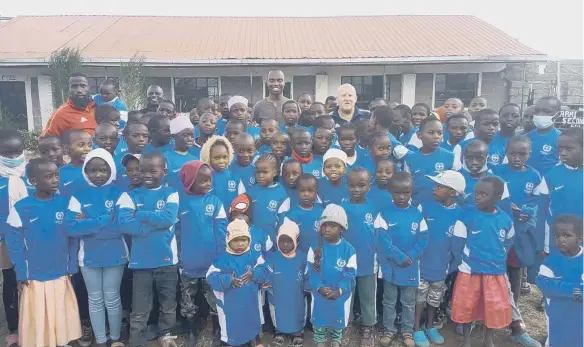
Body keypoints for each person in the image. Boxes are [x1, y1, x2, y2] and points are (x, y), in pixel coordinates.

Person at [5, 158, 81, 347]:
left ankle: (61, 341)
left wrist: (71, 266)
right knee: (38, 312)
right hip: (35, 275)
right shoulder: (21, 208)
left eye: (56, 175)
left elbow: (74, 238)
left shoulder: (67, 203)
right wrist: (21, 271)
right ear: (33, 181)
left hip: (61, 271)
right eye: (49, 176)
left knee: (60, 309)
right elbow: (14, 244)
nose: (55, 180)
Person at [116, 151, 180, 347]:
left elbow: (168, 218)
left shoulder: (171, 193)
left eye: (153, 171)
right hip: (141, 261)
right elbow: (124, 223)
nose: (147, 175)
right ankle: (136, 338)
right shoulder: (129, 195)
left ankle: (166, 333)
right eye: (143, 171)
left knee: (168, 303)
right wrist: (151, 223)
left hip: (167, 259)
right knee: (141, 305)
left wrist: (141, 214)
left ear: (164, 171)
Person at [65, 148, 127, 347]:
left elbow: (120, 228)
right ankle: (101, 340)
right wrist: (101, 220)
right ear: (85, 171)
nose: (98, 175)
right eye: (92, 170)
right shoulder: (78, 195)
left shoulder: (119, 193)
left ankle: (115, 338)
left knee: (112, 298)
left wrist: (87, 223)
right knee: (95, 299)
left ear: (111, 171)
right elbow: (70, 227)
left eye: (103, 170)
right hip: (88, 257)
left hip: (116, 254)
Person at [451, 176, 515, 347]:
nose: (477, 197)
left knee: (492, 307)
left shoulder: (505, 220)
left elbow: (508, 242)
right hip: (470, 270)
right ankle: (466, 340)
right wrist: (466, 260)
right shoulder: (467, 216)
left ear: (498, 197)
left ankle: (489, 339)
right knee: (466, 305)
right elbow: (457, 243)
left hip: (494, 271)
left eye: (483, 194)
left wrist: (498, 258)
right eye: (476, 193)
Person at [177, 160, 228, 347]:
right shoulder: (180, 202)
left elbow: (222, 232)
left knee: (214, 297)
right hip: (188, 260)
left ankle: (216, 329)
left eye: (209, 180)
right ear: (190, 182)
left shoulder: (215, 202)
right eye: (203, 180)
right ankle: (191, 329)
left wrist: (222, 258)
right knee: (188, 298)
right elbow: (176, 232)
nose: (208, 184)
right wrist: (179, 257)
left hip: (211, 261)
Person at [413, 170, 466, 347]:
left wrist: (451, 266)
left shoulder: (460, 215)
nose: (434, 189)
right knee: (419, 297)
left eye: (439, 186)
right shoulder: (425, 207)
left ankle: (430, 326)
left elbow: (458, 246)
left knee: (435, 298)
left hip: (442, 267)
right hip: (422, 264)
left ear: (452, 192)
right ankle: (416, 328)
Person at [377, 172, 428, 347]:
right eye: (397, 193)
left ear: (411, 192)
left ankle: (407, 330)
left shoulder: (417, 214)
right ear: (391, 192)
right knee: (389, 300)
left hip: (410, 266)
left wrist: (410, 256)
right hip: (391, 267)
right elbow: (382, 240)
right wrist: (399, 256)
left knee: (408, 301)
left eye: (406, 192)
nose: (402, 196)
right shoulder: (384, 214)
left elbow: (423, 240)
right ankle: (389, 329)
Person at [206, 219, 268, 347]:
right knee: (233, 329)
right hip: (231, 305)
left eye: (243, 240)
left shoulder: (254, 255)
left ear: (249, 239)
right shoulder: (222, 259)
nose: (240, 244)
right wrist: (227, 280)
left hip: (251, 302)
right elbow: (211, 277)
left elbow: (264, 269)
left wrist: (254, 273)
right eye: (236, 240)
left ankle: (255, 341)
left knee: (252, 323)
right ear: (228, 240)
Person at [493, 136, 541, 299]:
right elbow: (490, 194)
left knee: (516, 265)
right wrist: (507, 204)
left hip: (519, 228)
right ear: (506, 152)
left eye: (522, 154)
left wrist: (527, 211)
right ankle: (496, 302)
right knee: (498, 265)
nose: (517, 158)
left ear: (530, 154)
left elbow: (536, 201)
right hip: (498, 225)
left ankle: (515, 305)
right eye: (513, 153)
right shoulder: (498, 171)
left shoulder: (534, 175)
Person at [307, 204, 356, 347]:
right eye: (324, 225)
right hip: (319, 294)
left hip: (340, 295)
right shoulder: (314, 248)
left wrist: (339, 290)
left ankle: (336, 341)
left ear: (341, 228)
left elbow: (350, 274)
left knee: (337, 321)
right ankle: (320, 341)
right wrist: (320, 287)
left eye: (332, 226)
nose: (327, 229)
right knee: (320, 323)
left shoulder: (349, 250)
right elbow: (311, 272)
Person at [340, 168, 379, 347]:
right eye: (352, 185)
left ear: (369, 187)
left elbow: (380, 235)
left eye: (361, 185)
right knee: (347, 295)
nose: (356, 189)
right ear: (346, 186)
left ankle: (368, 326)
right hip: (346, 263)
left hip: (368, 262)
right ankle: (345, 324)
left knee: (368, 297)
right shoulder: (342, 207)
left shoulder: (374, 208)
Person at [0, 129, 29, 347]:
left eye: (16, 152)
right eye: (7, 153)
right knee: (11, 282)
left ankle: (34, 323)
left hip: (34, 238)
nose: (12, 157)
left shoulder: (33, 174)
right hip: (6, 240)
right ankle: (13, 328)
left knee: (33, 281)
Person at [534, 128, 583, 255]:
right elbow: (542, 213)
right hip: (557, 242)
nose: (563, 153)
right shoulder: (551, 176)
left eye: (569, 149)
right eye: (560, 149)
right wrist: (540, 244)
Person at [537, 214, 583, 347]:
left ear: (580, 237)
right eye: (556, 235)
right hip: (558, 316)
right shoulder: (550, 263)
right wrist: (572, 290)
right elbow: (545, 285)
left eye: (567, 235)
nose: (560, 239)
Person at [266, 219, 307, 346]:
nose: (285, 245)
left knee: (298, 310)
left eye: (289, 241)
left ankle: (298, 332)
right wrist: (266, 282)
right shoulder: (272, 257)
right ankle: (279, 331)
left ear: (296, 241)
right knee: (277, 311)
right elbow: (266, 273)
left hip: (296, 293)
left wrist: (307, 287)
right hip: (278, 293)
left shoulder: (303, 257)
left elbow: (308, 275)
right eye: (282, 241)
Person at [404, 116, 460, 206]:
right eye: (431, 133)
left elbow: (458, 185)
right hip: (418, 207)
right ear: (419, 135)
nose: (436, 136)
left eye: (440, 133)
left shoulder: (451, 157)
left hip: (442, 208)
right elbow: (407, 185)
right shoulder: (410, 159)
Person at [241, 153, 288, 241]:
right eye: (258, 172)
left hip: (272, 240)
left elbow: (283, 221)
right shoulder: (250, 192)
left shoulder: (281, 193)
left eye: (265, 172)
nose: (261, 175)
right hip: (253, 239)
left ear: (275, 172)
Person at [42, 73, 97, 137]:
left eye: (83, 86)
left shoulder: (98, 106)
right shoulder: (61, 114)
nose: (79, 90)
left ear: (89, 88)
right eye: (74, 86)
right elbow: (46, 141)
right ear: (69, 89)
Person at [281, 174, 324, 253]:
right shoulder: (291, 215)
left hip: (318, 256)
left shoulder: (322, 212)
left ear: (316, 192)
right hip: (299, 256)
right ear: (297, 192)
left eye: (310, 191)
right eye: (302, 190)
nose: (306, 194)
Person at [526, 96, 562, 174]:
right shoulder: (525, 138)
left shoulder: (562, 140)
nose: (540, 114)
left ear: (557, 114)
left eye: (546, 111)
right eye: (537, 111)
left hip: (550, 184)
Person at [201, 136, 238, 207]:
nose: (221, 161)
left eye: (224, 157)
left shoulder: (235, 177)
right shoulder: (203, 177)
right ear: (208, 157)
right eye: (216, 158)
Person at [164, 117, 197, 191]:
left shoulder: (195, 159)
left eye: (192, 135)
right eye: (185, 135)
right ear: (173, 136)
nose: (190, 138)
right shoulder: (165, 158)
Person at [60, 129, 92, 197]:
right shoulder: (59, 174)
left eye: (90, 145)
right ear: (66, 148)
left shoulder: (97, 170)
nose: (87, 149)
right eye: (81, 145)